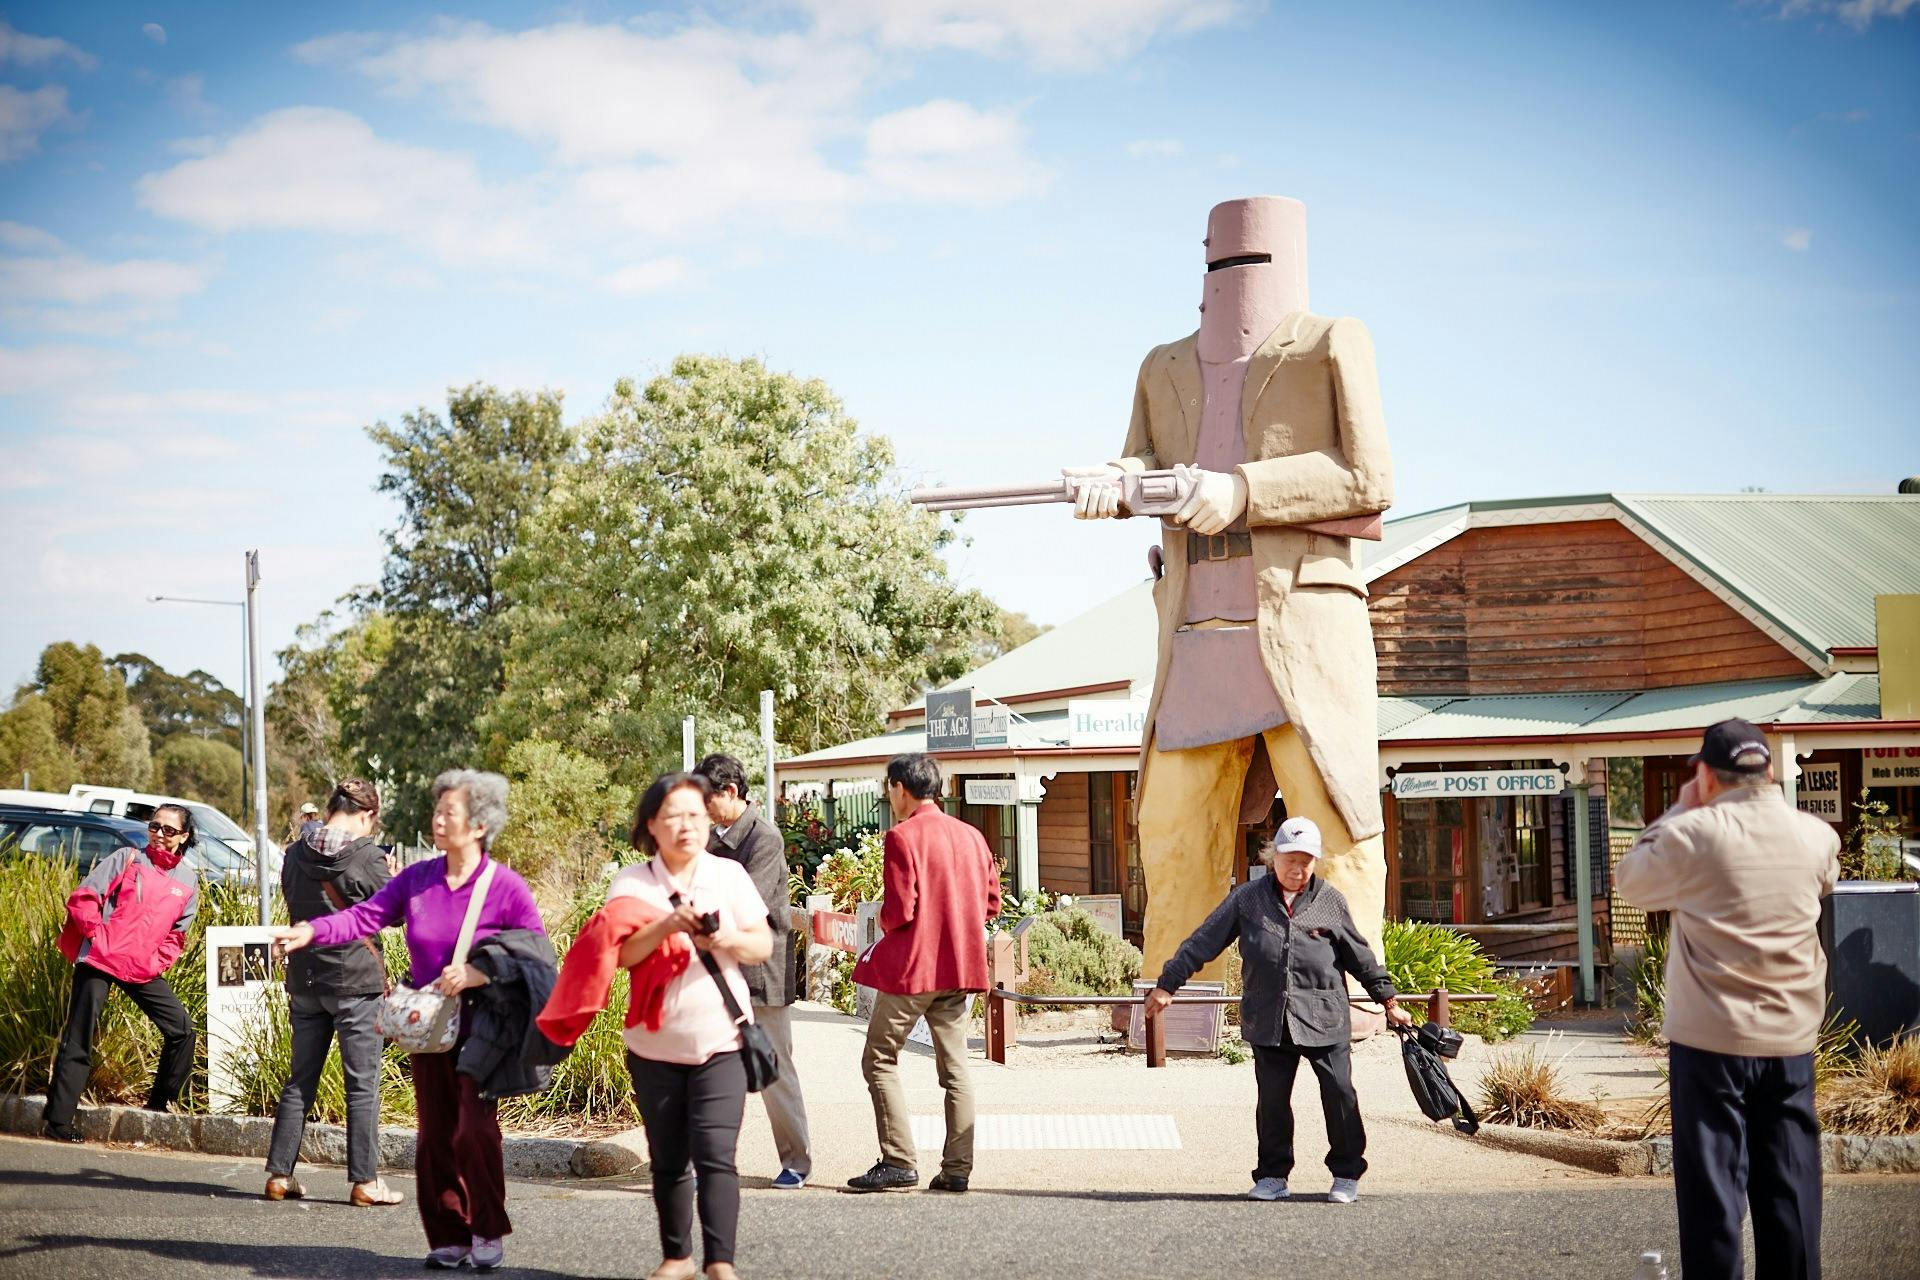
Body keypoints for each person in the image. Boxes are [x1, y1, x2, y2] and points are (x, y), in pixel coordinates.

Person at [274, 769, 545, 1273]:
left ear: (480, 825)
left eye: (450, 813)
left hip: (484, 1026)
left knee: (473, 1132)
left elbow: (536, 954)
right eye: (437, 811)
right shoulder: (418, 879)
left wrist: (480, 971)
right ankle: (448, 1235)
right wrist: (311, 930)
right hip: (430, 1027)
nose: (439, 820)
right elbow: (364, 916)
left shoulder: (505, 886)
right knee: (436, 1131)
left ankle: (486, 1226)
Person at [1615, 719, 1840, 1280]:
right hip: (1790, 1038)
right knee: (1789, 1189)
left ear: (1705, 775)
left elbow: (1632, 881)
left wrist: (1682, 807)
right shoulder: (1816, 835)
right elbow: (1825, 881)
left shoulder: (1694, 835)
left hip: (1710, 1039)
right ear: (1767, 771)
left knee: (1714, 1196)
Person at [1150, 816, 1410, 1203]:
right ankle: (1272, 1175)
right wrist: (1168, 984)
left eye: (1306, 860)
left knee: (1339, 1093)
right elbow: (1205, 940)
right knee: (1272, 1101)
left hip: (1324, 1016)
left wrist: (1388, 1001)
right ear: (1273, 857)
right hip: (1269, 1017)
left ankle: (1346, 1173)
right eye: (1290, 858)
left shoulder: (1330, 900)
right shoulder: (1247, 899)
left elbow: (1361, 957)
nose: (1298, 868)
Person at [612, 771, 772, 1280]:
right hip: (653, 1045)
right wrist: (666, 925)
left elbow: (762, 945)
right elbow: (620, 954)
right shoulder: (631, 883)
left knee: (716, 1156)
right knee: (668, 1158)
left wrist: (720, 941)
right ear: (651, 826)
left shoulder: (728, 876)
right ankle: (677, 1258)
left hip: (721, 1040)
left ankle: (720, 1264)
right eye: (673, 817)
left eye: (696, 815)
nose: (687, 826)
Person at [846, 753, 1001, 1194]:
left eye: (888, 788)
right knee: (955, 1071)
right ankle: (957, 1169)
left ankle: (898, 1160)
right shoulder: (972, 836)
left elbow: (898, 913)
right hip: (962, 967)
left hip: (917, 970)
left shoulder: (902, 837)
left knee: (878, 1058)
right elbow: (991, 905)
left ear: (900, 787)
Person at [264, 778, 401, 1207]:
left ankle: (279, 1175)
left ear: (329, 809)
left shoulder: (293, 855)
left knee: (299, 1081)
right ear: (367, 815)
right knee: (362, 1085)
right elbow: (393, 916)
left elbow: (291, 901)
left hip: (306, 979)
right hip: (355, 982)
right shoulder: (367, 856)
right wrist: (391, 878)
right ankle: (365, 1181)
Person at [43, 804, 202, 1141]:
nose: (159, 834)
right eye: (154, 826)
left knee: (182, 1029)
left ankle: (160, 1109)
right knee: (80, 1036)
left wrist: (157, 962)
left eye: (169, 830)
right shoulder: (127, 858)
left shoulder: (188, 880)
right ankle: (57, 1122)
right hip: (100, 958)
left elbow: (178, 933)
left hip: (141, 967)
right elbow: (84, 897)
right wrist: (99, 937)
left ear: (183, 836)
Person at [694, 752, 812, 1190]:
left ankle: (797, 1162)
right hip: (716, 966)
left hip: (762, 970)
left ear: (730, 792)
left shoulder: (764, 837)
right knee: (709, 1067)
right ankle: (705, 1158)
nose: (701, 807)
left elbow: (748, 903)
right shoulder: (707, 838)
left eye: (707, 797)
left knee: (773, 1067)